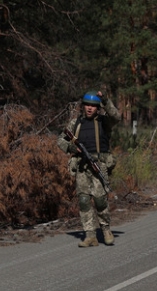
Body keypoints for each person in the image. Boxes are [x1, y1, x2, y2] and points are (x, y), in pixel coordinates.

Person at [57, 91, 121, 247]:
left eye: (93, 106)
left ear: (98, 108)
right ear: (83, 106)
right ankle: (90, 235)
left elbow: (116, 117)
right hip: (82, 167)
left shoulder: (104, 122)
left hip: (99, 165)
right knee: (84, 200)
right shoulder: (76, 123)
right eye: (87, 105)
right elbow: (60, 140)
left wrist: (105, 100)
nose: (90, 108)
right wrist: (71, 147)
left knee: (100, 201)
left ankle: (106, 229)